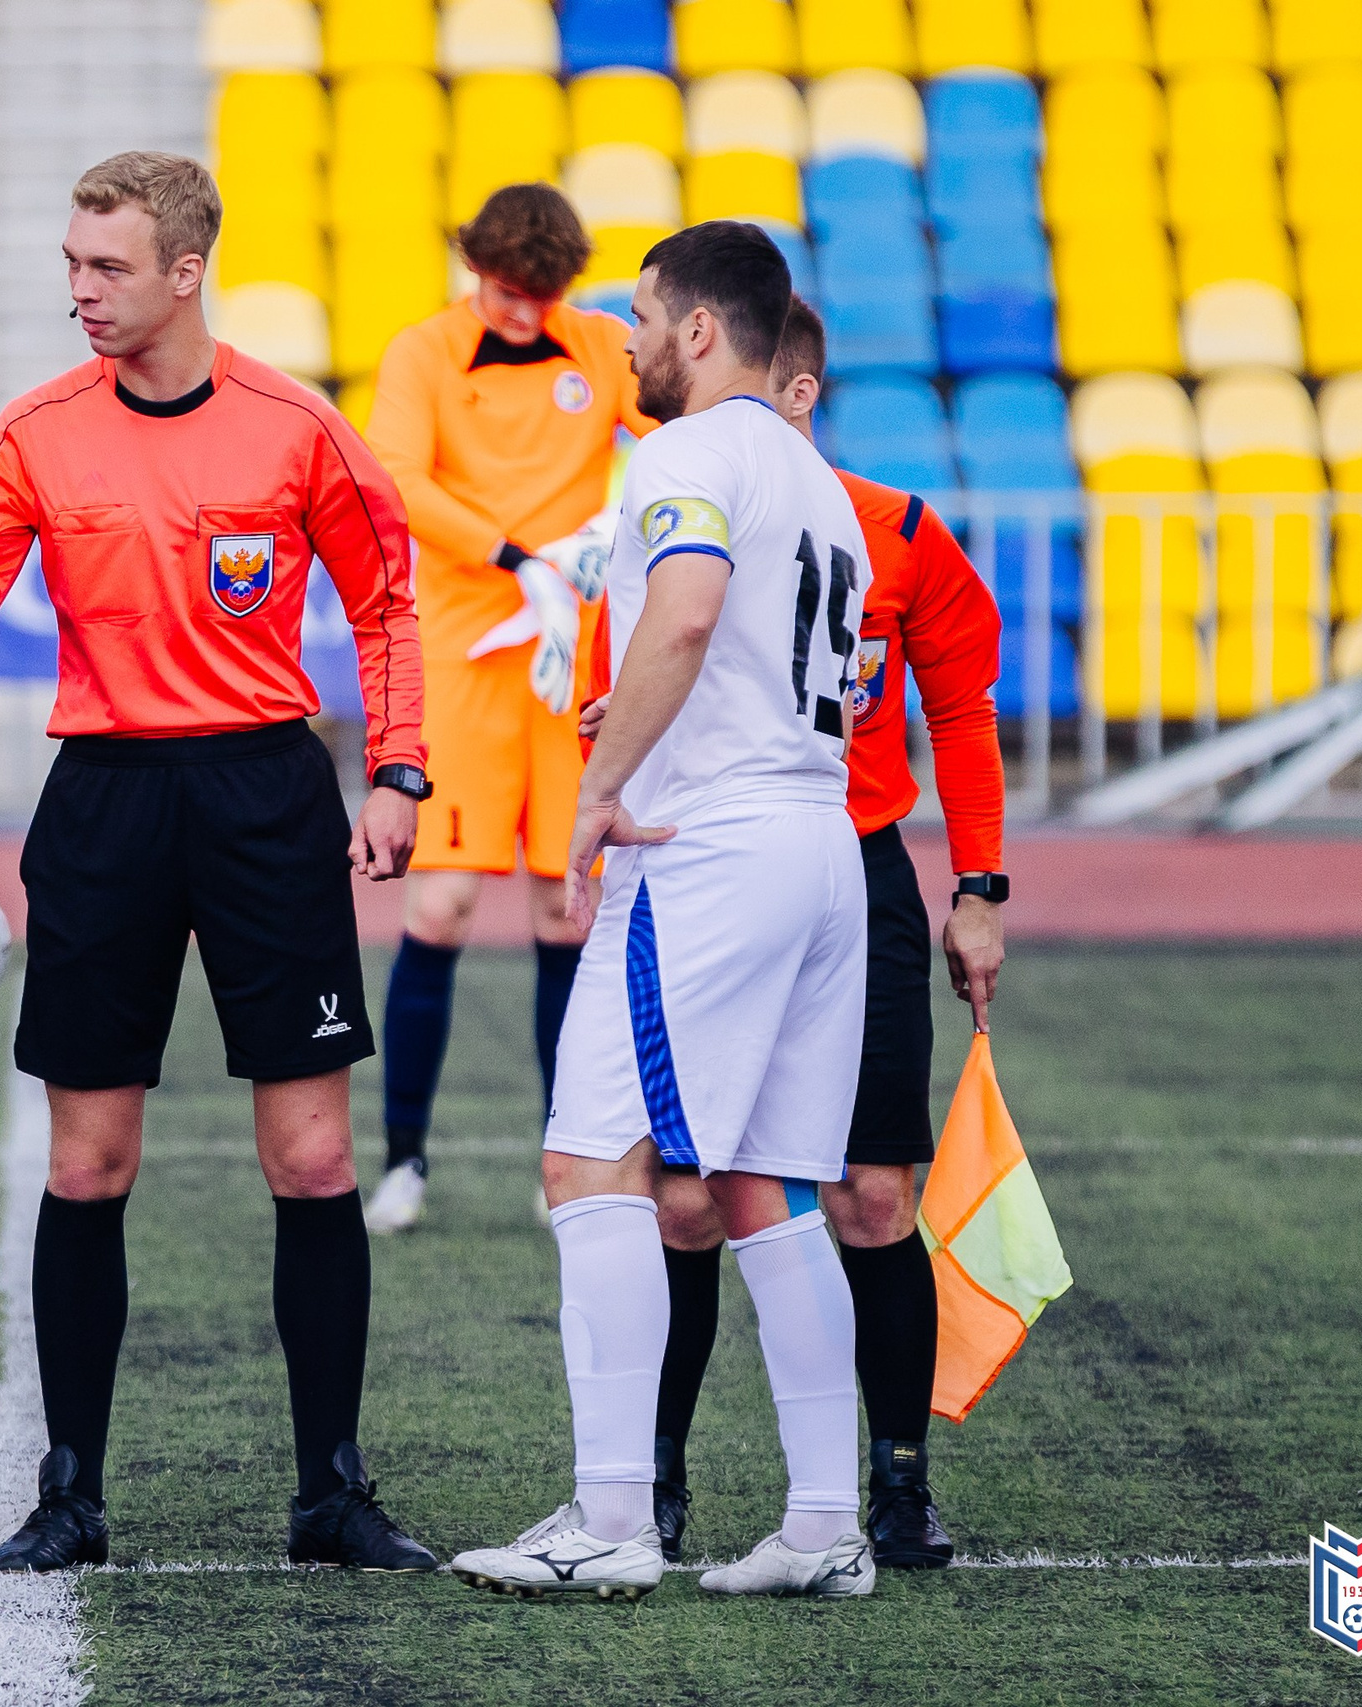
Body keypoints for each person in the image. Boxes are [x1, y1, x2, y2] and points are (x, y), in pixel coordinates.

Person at [0, 152, 436, 1573]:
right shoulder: (32, 430)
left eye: (108, 268)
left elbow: (387, 600)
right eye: (72, 264)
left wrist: (396, 770)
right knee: (89, 1163)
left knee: (314, 1156)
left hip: (268, 793)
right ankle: (69, 1492)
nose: (79, 291)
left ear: (185, 271)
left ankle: (333, 1489)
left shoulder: (293, 425)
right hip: (107, 799)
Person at [448, 221, 878, 1602]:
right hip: (821, 841)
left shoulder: (686, 451)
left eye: (638, 316)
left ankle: (612, 1512)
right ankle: (826, 1523)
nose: (623, 342)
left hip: (711, 845)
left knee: (589, 1163)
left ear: (698, 327)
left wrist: (600, 785)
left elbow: (686, 617)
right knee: (767, 1191)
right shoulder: (817, 478)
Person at [626, 296, 1006, 1571]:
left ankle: (897, 1484)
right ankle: (656, 1481)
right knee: (682, 1202)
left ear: (800, 392)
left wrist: (981, 888)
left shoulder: (895, 528)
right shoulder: (670, 515)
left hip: (855, 875)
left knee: (870, 1195)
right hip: (703, 874)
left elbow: (959, 709)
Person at [359, 184, 659, 1235]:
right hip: (460, 660)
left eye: (541, 294)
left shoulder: (599, 343)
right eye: (504, 290)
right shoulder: (423, 352)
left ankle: (559, 1156)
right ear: (472, 268)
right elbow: (395, 477)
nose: (522, 313)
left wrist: (606, 533)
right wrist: (513, 558)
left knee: (558, 910)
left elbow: (675, 433)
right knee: (436, 909)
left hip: (571, 667)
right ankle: (403, 1160)